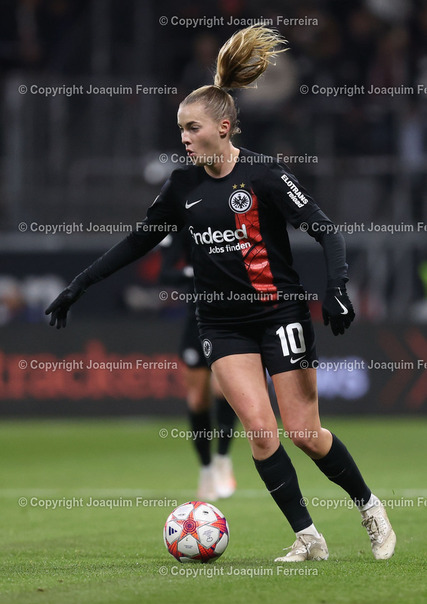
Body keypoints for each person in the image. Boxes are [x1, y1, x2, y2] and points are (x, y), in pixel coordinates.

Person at [46, 25, 396, 562]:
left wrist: (338, 289)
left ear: (223, 127)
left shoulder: (264, 174)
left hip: (279, 312)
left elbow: (327, 230)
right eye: (180, 129)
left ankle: (369, 506)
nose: (184, 138)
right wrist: (79, 284)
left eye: (192, 128)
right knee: (260, 432)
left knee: (304, 433)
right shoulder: (181, 186)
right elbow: (137, 242)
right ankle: (309, 538)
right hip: (222, 324)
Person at [159, 232, 237, 500]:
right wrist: (196, 271)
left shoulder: (230, 226)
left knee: (223, 390)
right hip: (197, 321)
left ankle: (223, 458)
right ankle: (206, 469)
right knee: (198, 400)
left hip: (230, 319)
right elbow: (166, 273)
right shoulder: (182, 229)